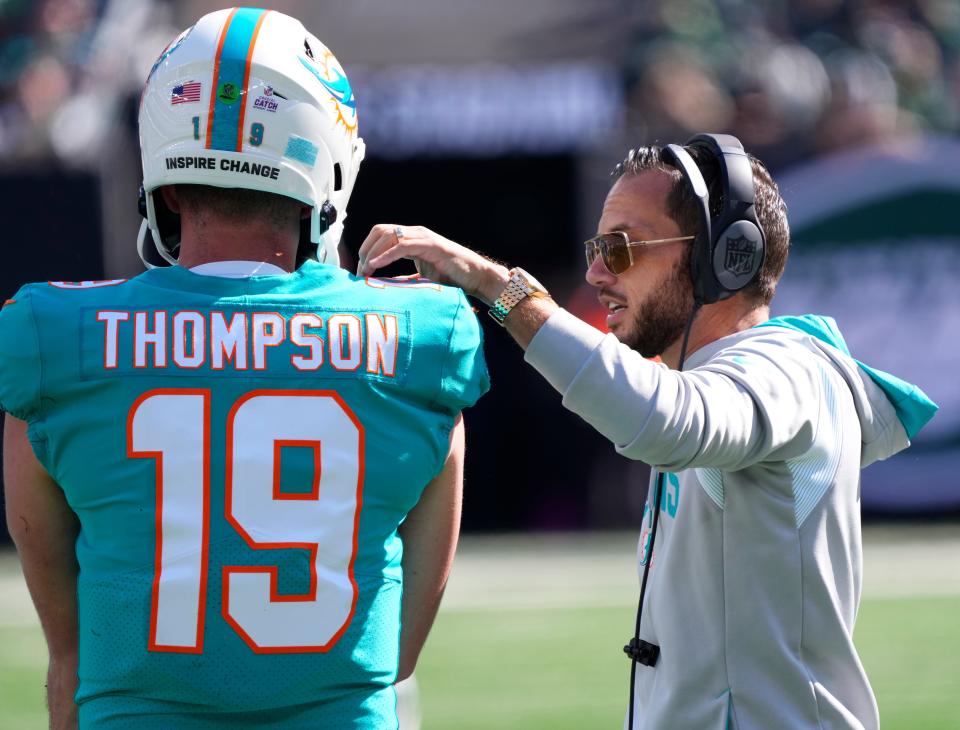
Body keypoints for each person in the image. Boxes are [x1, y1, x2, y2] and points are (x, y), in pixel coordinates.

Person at [1, 8, 488, 729]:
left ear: (164, 184)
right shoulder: (425, 334)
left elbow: (68, 655)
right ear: (327, 173)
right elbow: (400, 657)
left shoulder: (52, 334)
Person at [356, 133, 938, 729]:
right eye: (598, 246)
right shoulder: (723, 375)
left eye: (623, 248)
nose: (597, 271)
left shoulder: (786, 368)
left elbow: (669, 421)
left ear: (727, 255)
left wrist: (499, 288)